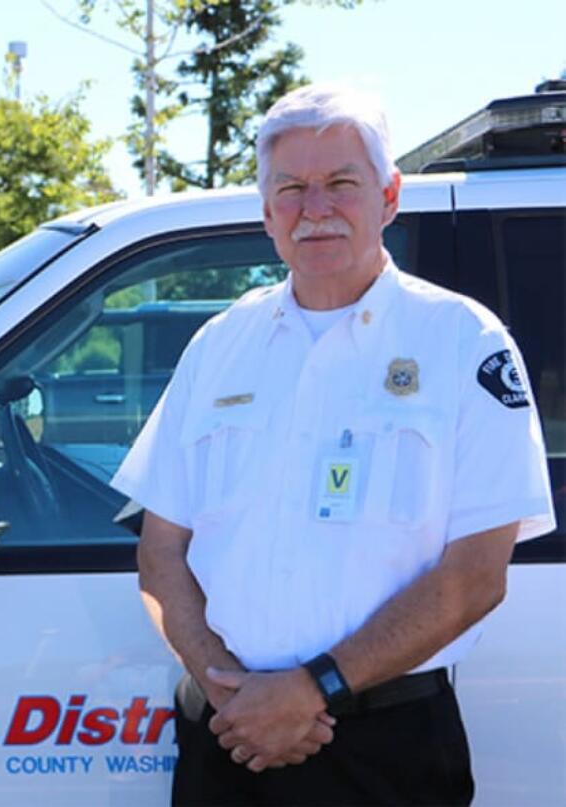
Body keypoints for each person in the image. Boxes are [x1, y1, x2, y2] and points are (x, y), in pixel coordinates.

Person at [112, 84, 555, 805]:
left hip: (385, 749)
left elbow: (477, 574)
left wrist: (311, 688)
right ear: (265, 213)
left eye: (340, 184)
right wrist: (233, 695)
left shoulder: (462, 343)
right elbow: (161, 553)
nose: (314, 209)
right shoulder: (219, 346)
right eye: (290, 189)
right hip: (225, 745)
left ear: (388, 196)